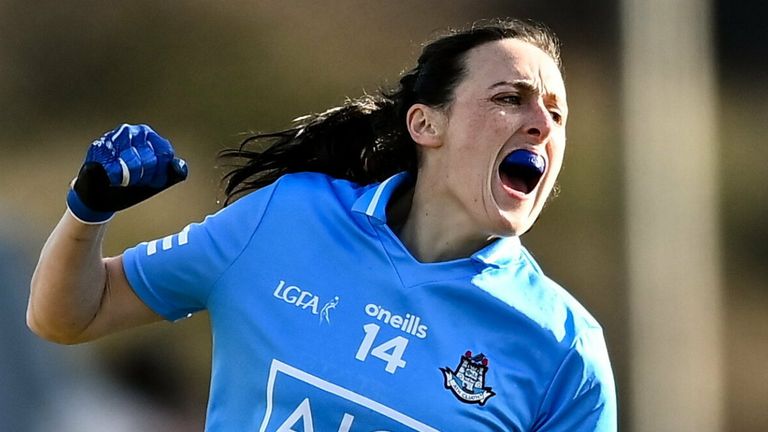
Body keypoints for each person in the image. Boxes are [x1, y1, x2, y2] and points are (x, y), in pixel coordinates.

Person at [28, 18, 617, 431]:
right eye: (510, 98)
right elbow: (68, 315)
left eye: (557, 112)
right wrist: (88, 208)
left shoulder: (565, 346)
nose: (541, 122)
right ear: (425, 125)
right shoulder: (288, 218)